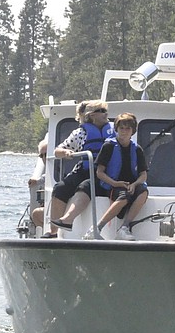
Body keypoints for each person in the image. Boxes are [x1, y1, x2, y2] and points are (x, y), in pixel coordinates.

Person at [45, 101, 112, 237]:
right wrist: (65, 153)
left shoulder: (114, 130)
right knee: (60, 188)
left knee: (85, 186)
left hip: (105, 171)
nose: (106, 114)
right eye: (102, 111)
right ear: (92, 115)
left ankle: (68, 219)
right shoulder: (80, 133)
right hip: (86, 169)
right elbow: (57, 151)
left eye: (106, 111)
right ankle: (53, 231)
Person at [85, 112, 149, 241]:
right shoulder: (108, 146)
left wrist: (135, 184)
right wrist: (115, 183)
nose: (124, 132)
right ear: (116, 129)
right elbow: (100, 173)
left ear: (133, 131)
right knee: (125, 195)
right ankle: (96, 228)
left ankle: (124, 228)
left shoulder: (137, 149)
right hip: (113, 185)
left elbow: (143, 175)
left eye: (128, 128)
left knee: (143, 191)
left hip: (131, 185)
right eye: (121, 128)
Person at [27, 134, 48, 235]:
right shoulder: (49, 172)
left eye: (46, 154)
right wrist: (36, 181)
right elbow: (46, 177)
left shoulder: (62, 168)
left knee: (36, 214)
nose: (44, 158)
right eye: (41, 155)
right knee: (36, 214)